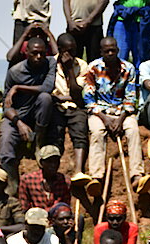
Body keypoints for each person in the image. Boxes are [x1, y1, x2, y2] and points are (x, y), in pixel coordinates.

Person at [84, 36, 147, 194]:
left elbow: (130, 97)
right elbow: (88, 98)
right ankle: (96, 177)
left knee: (133, 131)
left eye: (113, 50)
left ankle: (137, 175)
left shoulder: (128, 68)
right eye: (107, 51)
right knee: (97, 133)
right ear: (101, 52)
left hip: (122, 112)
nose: (110, 53)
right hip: (100, 112)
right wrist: (104, 119)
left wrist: (120, 119)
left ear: (118, 50)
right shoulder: (93, 68)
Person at [1, 36, 58, 195]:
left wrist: (18, 88)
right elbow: (6, 106)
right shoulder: (15, 72)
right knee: (6, 139)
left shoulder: (50, 63)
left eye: (42, 53)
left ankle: (38, 142)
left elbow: (47, 88)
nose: (38, 57)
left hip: (38, 112)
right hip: (18, 114)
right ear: (26, 53)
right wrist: (19, 123)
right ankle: (11, 181)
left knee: (46, 98)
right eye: (34, 53)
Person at [52, 33, 91, 190]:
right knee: (55, 134)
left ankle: (78, 171)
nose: (72, 54)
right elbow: (48, 92)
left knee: (80, 130)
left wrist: (70, 70)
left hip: (76, 106)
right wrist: (60, 98)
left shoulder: (82, 65)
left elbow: (77, 93)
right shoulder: (50, 64)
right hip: (56, 107)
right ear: (60, 50)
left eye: (74, 50)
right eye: (68, 51)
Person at [18, 145, 71, 212]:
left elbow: (66, 206)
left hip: (57, 216)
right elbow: (24, 207)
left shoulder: (64, 181)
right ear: (41, 163)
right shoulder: (28, 180)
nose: (53, 165)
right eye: (49, 162)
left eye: (56, 161)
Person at [107, 0, 150, 68]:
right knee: (120, 56)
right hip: (122, 17)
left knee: (141, 57)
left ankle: (139, 74)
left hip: (142, 20)